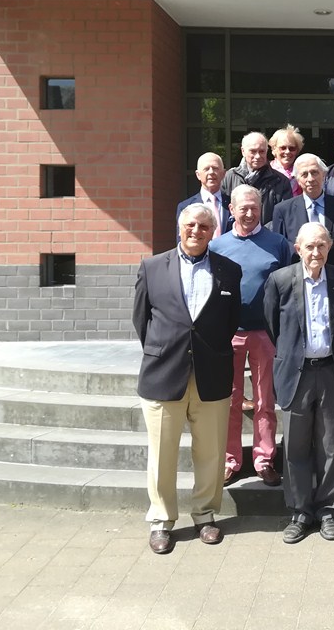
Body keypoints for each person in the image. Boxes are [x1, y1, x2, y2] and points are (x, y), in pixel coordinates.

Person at [132, 203, 242, 554]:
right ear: (180, 228)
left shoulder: (229, 270)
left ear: (213, 232)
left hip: (212, 374)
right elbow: (142, 320)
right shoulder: (152, 267)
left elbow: (230, 321)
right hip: (165, 374)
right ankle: (162, 520)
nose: (196, 231)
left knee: (211, 453)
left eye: (204, 226)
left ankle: (205, 515)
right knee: (161, 454)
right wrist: (164, 350)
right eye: (190, 225)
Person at [264, 223, 334, 543]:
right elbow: (273, 326)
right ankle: (301, 511)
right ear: (297, 249)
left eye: (321, 245)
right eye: (309, 246)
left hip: (331, 371)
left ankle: (327, 510)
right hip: (296, 372)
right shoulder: (280, 280)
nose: (315, 252)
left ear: (329, 248)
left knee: (331, 446)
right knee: (295, 446)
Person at [208, 185, 293, 487]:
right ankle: (230, 459)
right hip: (227, 333)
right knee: (228, 400)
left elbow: (288, 286)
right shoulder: (217, 246)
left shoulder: (278, 243)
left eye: (254, 207)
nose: (248, 213)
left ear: (261, 209)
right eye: (242, 207)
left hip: (265, 333)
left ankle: (264, 459)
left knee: (264, 400)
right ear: (231, 210)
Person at [271, 153, 334, 271]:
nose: (310, 179)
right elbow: (280, 249)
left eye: (314, 172)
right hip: (297, 275)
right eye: (304, 174)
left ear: (324, 175)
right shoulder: (283, 210)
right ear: (297, 179)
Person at [222, 131, 292, 226]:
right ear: (243, 151)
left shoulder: (281, 181)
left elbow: (284, 215)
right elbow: (224, 212)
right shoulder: (229, 177)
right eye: (253, 151)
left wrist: (262, 232)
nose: (258, 156)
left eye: (262, 151)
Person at [176, 152, 230, 239]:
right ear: (198, 175)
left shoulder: (233, 204)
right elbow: (182, 240)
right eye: (206, 169)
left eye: (215, 168)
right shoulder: (185, 206)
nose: (211, 172)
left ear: (223, 174)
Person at [269, 124, 304, 197]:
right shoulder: (267, 171)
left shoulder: (302, 172)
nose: (287, 152)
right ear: (274, 149)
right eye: (283, 148)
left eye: (292, 148)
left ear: (297, 151)